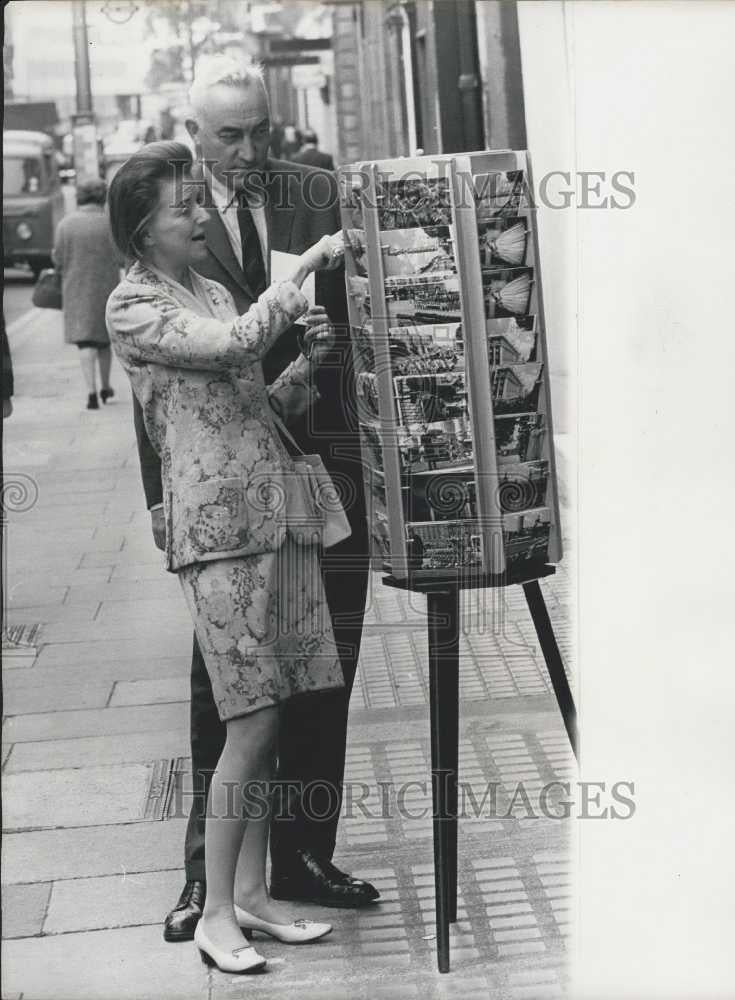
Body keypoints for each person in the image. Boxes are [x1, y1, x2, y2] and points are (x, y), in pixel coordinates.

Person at [130, 58, 375, 944]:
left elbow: (360, 320)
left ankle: (304, 857)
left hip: (321, 472)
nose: (246, 151)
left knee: (322, 667)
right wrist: (164, 506)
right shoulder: (175, 221)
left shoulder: (318, 191)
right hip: (223, 496)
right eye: (227, 135)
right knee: (227, 691)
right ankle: (210, 883)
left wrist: (323, 368)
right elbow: (155, 392)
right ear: (194, 132)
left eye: (258, 131)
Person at [52, 178, 120, 410]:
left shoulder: (65, 225)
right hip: (106, 289)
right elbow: (121, 257)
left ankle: (90, 392)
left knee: (85, 342)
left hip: (76, 289)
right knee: (103, 342)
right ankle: (106, 387)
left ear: (79, 197)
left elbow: (58, 258)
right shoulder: (110, 224)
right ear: (102, 197)